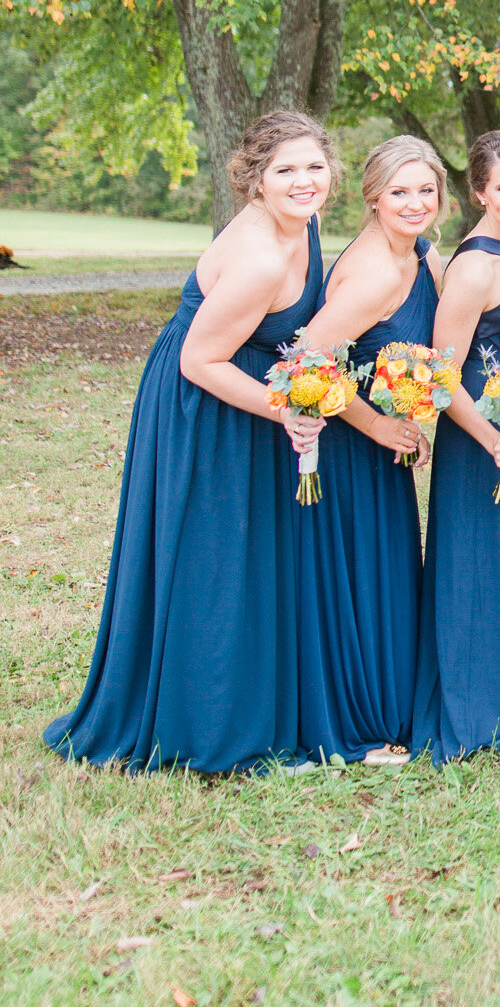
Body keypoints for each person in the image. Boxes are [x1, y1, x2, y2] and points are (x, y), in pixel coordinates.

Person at [44, 112, 335, 773]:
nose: (302, 181)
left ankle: (250, 705)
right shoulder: (261, 257)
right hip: (206, 406)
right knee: (216, 560)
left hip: (246, 393)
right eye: (284, 170)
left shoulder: (305, 225)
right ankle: (208, 728)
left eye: (313, 167)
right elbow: (200, 361)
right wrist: (285, 410)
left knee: (250, 558)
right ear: (255, 180)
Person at [411, 130, 500, 761]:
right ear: (479, 193)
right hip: (481, 434)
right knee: (482, 564)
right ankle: (483, 701)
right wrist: (494, 438)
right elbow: (443, 371)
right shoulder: (472, 266)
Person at [298, 136, 445, 763]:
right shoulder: (377, 271)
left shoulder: (421, 254)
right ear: (373, 198)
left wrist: (414, 410)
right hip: (349, 450)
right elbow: (305, 362)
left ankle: (388, 703)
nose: (414, 203)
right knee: (363, 575)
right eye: (399, 192)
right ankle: (360, 717)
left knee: (385, 572)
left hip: (387, 447)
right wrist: (378, 426)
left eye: (426, 190)